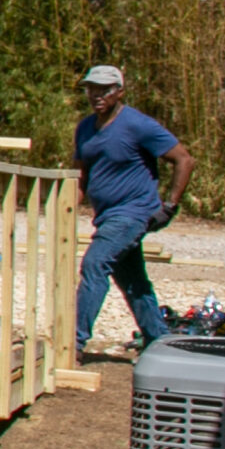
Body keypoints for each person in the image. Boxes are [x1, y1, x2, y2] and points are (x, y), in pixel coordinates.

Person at [73, 65, 195, 351]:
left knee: (95, 263)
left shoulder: (138, 125)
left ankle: (74, 343)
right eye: (92, 89)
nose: (96, 96)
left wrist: (170, 205)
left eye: (104, 90)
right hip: (106, 216)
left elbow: (184, 160)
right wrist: (64, 210)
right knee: (132, 280)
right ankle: (160, 342)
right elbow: (81, 176)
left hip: (133, 212)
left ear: (119, 92)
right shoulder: (85, 129)